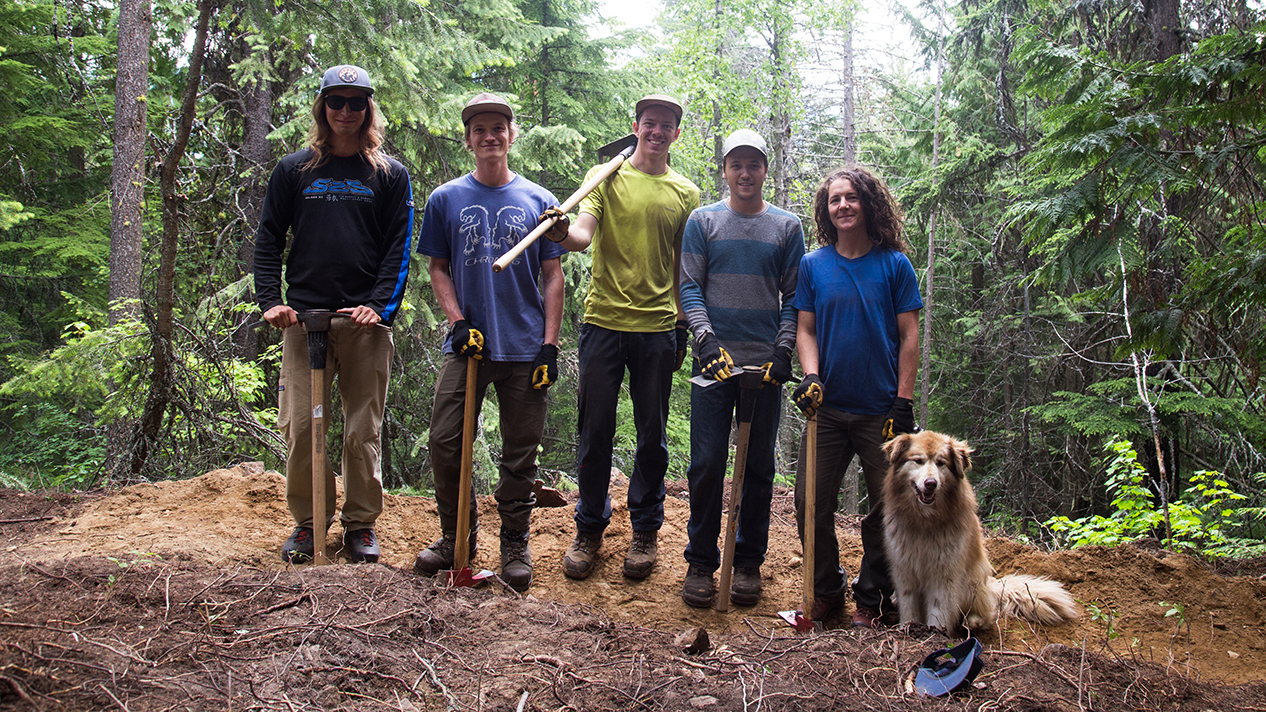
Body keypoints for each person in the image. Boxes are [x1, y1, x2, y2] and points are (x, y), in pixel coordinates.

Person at [255, 64, 414, 564]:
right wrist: (271, 302)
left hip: (363, 325)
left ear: (368, 109)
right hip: (305, 322)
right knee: (304, 428)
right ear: (322, 107)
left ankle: (361, 525)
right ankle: (308, 525)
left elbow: (398, 248)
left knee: (361, 430)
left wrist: (379, 307)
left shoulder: (388, 174)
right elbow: (267, 241)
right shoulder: (293, 169)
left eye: (356, 103)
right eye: (336, 102)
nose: (346, 111)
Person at [541, 94, 700, 580]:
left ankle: (646, 530)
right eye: (649, 123)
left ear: (676, 134)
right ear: (636, 126)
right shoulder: (604, 175)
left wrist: (680, 327)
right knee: (595, 432)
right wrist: (560, 230)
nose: (656, 131)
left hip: (656, 329)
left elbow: (681, 267)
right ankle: (589, 527)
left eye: (665, 125)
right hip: (603, 324)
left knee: (652, 435)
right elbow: (583, 235)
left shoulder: (686, 193)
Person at [411, 93, 565, 592]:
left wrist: (549, 346)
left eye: (499, 127)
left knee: (521, 452)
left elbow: (552, 275)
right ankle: (456, 539)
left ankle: (514, 544)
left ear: (511, 134)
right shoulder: (445, 199)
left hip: (524, 349)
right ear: (468, 139)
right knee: (447, 440)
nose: (490, 136)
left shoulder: (540, 202)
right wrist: (456, 322)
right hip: (469, 347)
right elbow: (437, 268)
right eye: (480, 129)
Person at [677, 129, 804, 607]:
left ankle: (749, 562)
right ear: (725, 170)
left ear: (765, 170)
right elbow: (690, 287)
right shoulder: (702, 221)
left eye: (754, 164)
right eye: (736, 164)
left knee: (759, 466)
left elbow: (795, 297)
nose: (745, 173)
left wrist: (784, 349)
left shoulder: (786, 227)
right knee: (706, 463)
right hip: (714, 365)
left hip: (765, 370)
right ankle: (701, 563)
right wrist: (705, 339)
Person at [791, 165, 922, 626]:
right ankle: (826, 592)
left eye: (851, 198)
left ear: (868, 203)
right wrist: (810, 376)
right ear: (826, 212)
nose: (842, 206)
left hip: (880, 412)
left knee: (889, 509)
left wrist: (902, 403)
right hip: (825, 411)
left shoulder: (894, 265)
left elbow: (910, 336)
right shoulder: (813, 265)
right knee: (810, 505)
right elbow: (805, 328)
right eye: (834, 200)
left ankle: (873, 598)